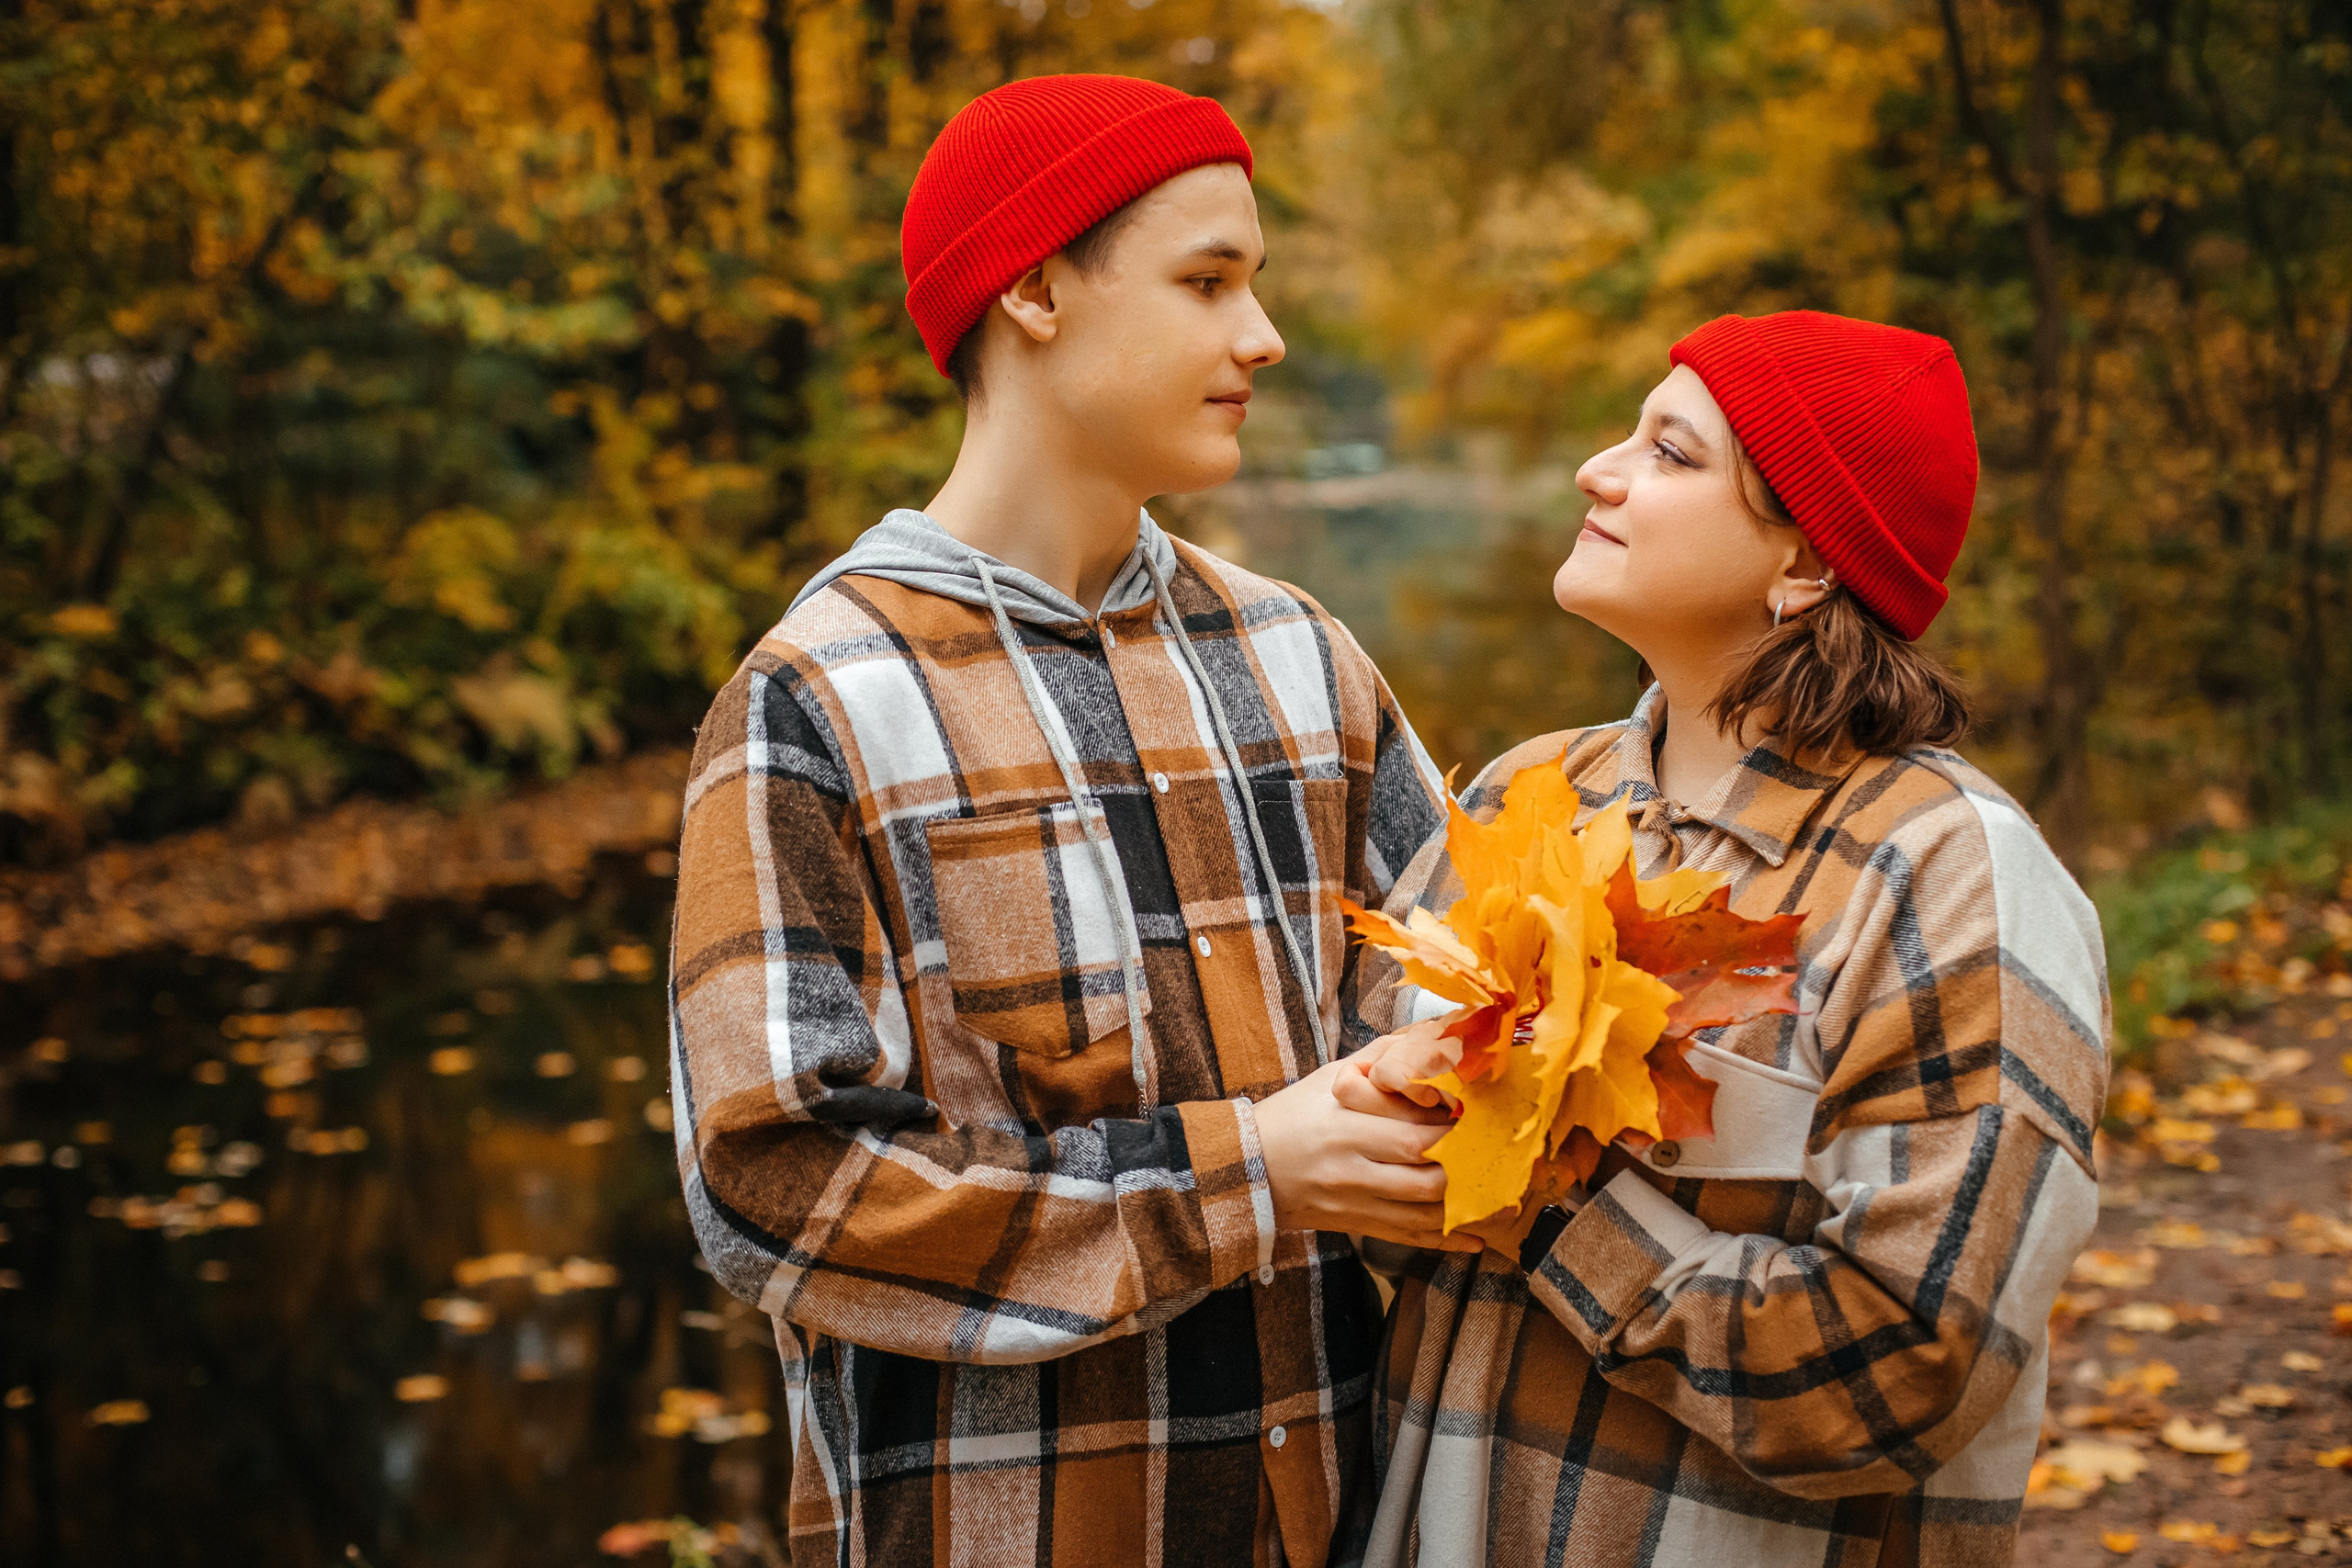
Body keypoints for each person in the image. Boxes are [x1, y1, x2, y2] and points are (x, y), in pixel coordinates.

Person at [667, 73, 1471, 1568]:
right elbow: (772, 1189)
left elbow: (1452, 1017)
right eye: (1207, 282)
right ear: (1034, 290)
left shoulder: (1304, 659)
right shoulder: (818, 702)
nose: (1263, 337)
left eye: (1258, 284)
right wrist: (1246, 1175)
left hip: (1339, 1532)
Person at [1339, 310, 2109, 1566]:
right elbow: (1363, 1180)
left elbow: (1903, 1362)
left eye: (1670, 452)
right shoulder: (1529, 797)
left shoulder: (1945, 878)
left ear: (1805, 565)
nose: (1599, 468)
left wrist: (1536, 1204)